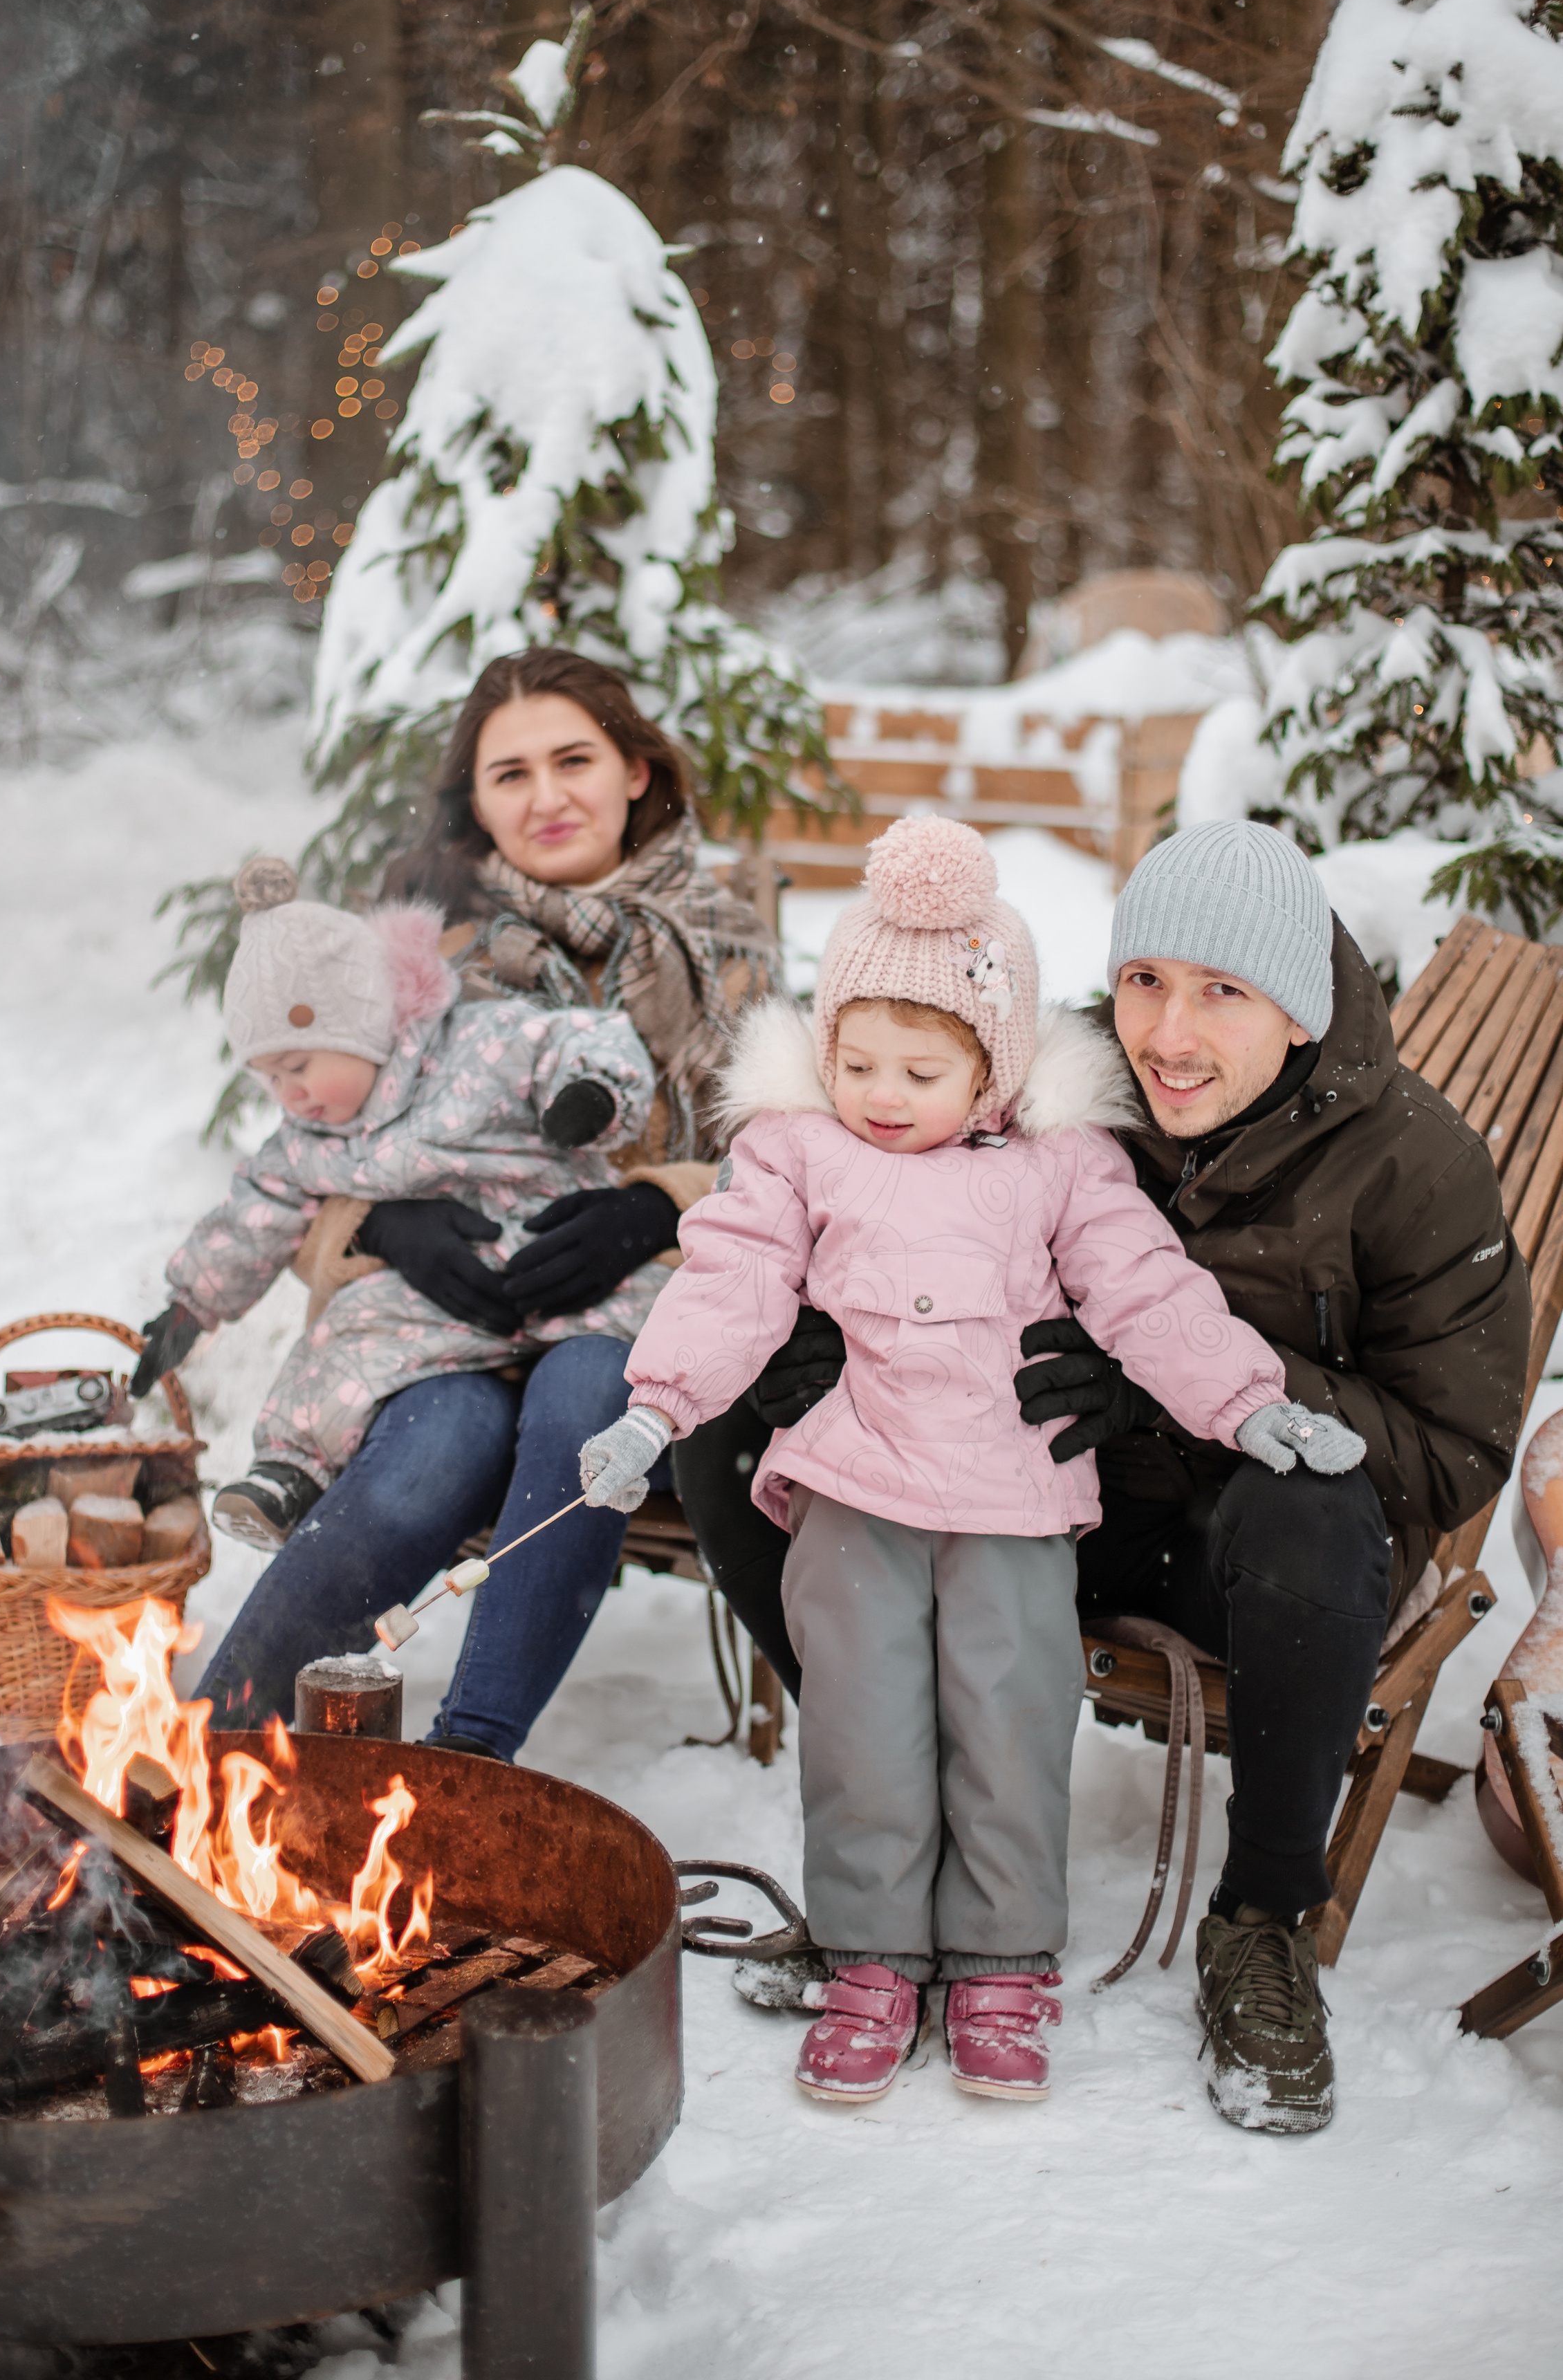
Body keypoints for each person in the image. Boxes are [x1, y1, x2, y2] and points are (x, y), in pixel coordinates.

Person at [728, 819, 1531, 2134]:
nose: (1167, 1033)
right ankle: (885, 1863)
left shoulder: (1409, 1161)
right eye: (1146, 979)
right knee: (742, 1430)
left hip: (1246, 1558)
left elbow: (1453, 1451)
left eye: (1223, 992)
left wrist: (1165, 1389)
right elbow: (849, 1135)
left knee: (1309, 1507)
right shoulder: (1060, 1073)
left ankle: (1264, 1921)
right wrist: (826, 1318)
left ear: (1298, 1005)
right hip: (1035, 1497)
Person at [574, 818, 1360, 2107]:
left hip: (1014, 1498)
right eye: (860, 1061)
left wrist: (1249, 1406)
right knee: (862, 1720)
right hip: (853, 1488)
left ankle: (1002, 1958)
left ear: (993, 1074)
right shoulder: (796, 1152)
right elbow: (728, 1280)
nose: (883, 1096)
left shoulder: (1064, 1170)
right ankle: (874, 1952)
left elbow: (1148, 1294)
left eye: (922, 1071)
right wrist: (653, 1412)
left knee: (1009, 1717)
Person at [193, 645, 780, 1757]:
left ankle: (471, 1766)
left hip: (638, 1317)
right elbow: (308, 1149)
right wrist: (379, 1227)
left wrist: (661, 1202)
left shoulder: (728, 946)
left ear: (637, 771)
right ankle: (212, 1751)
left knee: (583, 1406)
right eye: (510, 774)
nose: (546, 797)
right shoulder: (416, 948)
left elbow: (789, 1157)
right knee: (434, 1448)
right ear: (475, 797)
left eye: (574, 761)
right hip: (436, 1323)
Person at [131, 857, 664, 1547]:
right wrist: (190, 1305)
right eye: (268, 1077)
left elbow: (587, 1037)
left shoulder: (481, 1042)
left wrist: (592, 1093)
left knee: (672, 1310)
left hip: (564, 1259)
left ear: (361, 1025)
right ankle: (291, 1470)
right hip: (437, 1304)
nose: (289, 1093)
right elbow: (250, 1219)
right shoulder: (305, 1140)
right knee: (344, 1334)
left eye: (299, 1065)